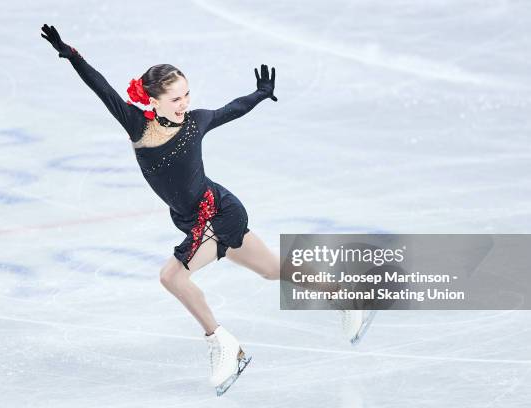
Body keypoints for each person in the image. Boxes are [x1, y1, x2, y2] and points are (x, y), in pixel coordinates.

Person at [41, 24, 373, 396]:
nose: (184, 104)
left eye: (187, 95)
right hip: (194, 219)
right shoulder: (137, 125)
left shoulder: (196, 120)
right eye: (175, 99)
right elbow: (100, 86)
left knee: (172, 277)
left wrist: (261, 94)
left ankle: (223, 344)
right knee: (271, 270)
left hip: (217, 212)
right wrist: (70, 53)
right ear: (153, 100)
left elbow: (231, 109)